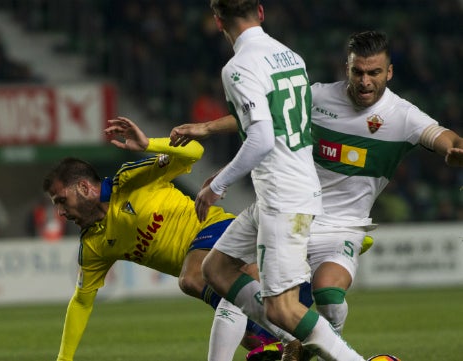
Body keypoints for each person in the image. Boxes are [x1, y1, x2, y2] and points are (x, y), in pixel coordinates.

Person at [171, 29, 463, 360]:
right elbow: (261, 117)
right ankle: (296, 342)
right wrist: (206, 128)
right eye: (358, 72)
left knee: (328, 293)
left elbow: (449, 141)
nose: (365, 81)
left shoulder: (404, 116)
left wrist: (457, 151)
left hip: (343, 226)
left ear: (389, 72)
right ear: (347, 68)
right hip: (295, 206)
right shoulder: (318, 97)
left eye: (374, 73)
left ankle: (303, 345)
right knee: (230, 279)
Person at [174, 1, 366, 360]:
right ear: (260, 12)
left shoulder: (238, 67)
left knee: (283, 307)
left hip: (284, 197)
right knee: (215, 269)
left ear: (218, 22)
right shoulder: (290, 56)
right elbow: (273, 124)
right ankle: (299, 340)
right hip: (284, 189)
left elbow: (261, 138)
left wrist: (219, 185)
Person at [43, 116, 284, 361]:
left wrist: (148, 144)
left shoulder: (129, 180)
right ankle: (292, 340)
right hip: (212, 271)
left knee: (192, 279)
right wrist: (64, 358)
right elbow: (82, 303)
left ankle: (283, 338)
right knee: (258, 320)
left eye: (62, 201)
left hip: (217, 228)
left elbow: (193, 152)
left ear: (84, 188)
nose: (60, 212)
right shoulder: (94, 245)